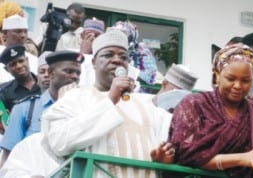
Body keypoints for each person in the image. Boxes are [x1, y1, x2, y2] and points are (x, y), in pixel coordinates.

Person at [41, 29, 173, 178]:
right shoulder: (75, 98)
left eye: (123, 57)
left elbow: (172, 140)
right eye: (108, 55)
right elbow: (59, 143)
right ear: (93, 63)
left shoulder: (146, 104)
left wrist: (163, 159)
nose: (117, 60)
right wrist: (111, 100)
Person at [161, 44, 253, 178]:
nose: (238, 86)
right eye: (231, 79)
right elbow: (185, 155)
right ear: (217, 76)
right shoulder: (194, 105)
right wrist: (243, 158)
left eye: (245, 80)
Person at [0, 50, 84, 167]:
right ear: (50, 72)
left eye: (78, 73)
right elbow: (8, 158)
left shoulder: (85, 110)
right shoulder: (25, 109)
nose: (74, 76)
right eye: (68, 71)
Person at [112, 21, 159, 88]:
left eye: (124, 34)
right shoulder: (110, 49)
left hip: (137, 94)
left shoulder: (141, 50)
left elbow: (152, 77)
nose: (119, 38)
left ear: (132, 36)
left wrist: (129, 69)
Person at [0, 45, 40, 112]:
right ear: (7, 69)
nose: (19, 66)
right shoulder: (4, 93)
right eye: (13, 64)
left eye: (21, 61)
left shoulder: (45, 82)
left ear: (27, 60)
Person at [1, 14, 38, 83]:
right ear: (5, 34)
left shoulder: (35, 60)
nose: (23, 35)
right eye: (18, 31)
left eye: (25, 32)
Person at [79, 18, 105, 86]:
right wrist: (84, 53)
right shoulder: (71, 54)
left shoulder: (104, 59)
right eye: (88, 35)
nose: (92, 38)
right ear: (82, 36)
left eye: (96, 36)